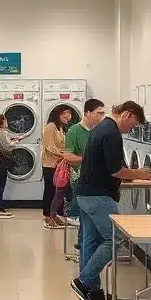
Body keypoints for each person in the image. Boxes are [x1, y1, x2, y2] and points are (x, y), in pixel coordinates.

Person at [70, 100, 151, 300]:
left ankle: (93, 290)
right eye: (133, 124)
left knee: (91, 241)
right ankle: (83, 281)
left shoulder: (101, 128)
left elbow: (107, 165)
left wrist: (129, 173)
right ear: (127, 114)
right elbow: (116, 170)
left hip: (86, 193)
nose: (131, 129)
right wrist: (140, 174)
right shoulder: (112, 132)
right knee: (117, 237)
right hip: (98, 196)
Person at [63, 98, 106, 255]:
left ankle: (88, 244)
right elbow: (67, 156)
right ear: (87, 113)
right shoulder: (74, 131)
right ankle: (84, 245)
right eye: (98, 113)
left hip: (97, 178)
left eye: (103, 113)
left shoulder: (100, 131)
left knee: (90, 214)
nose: (101, 116)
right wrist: (88, 159)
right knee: (85, 214)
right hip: (80, 178)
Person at [41, 106, 73, 229]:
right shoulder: (50, 127)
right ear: (57, 114)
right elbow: (49, 146)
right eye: (65, 113)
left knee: (58, 191)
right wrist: (63, 154)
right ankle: (47, 216)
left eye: (69, 114)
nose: (68, 116)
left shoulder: (60, 128)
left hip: (59, 164)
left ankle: (55, 215)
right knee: (50, 190)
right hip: (50, 164)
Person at [0, 114, 18, 218]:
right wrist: (15, 142)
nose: (7, 122)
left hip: (0, 162)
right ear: (2, 122)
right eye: (5, 120)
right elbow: (6, 147)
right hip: (0, 162)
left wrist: (12, 139)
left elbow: (4, 140)